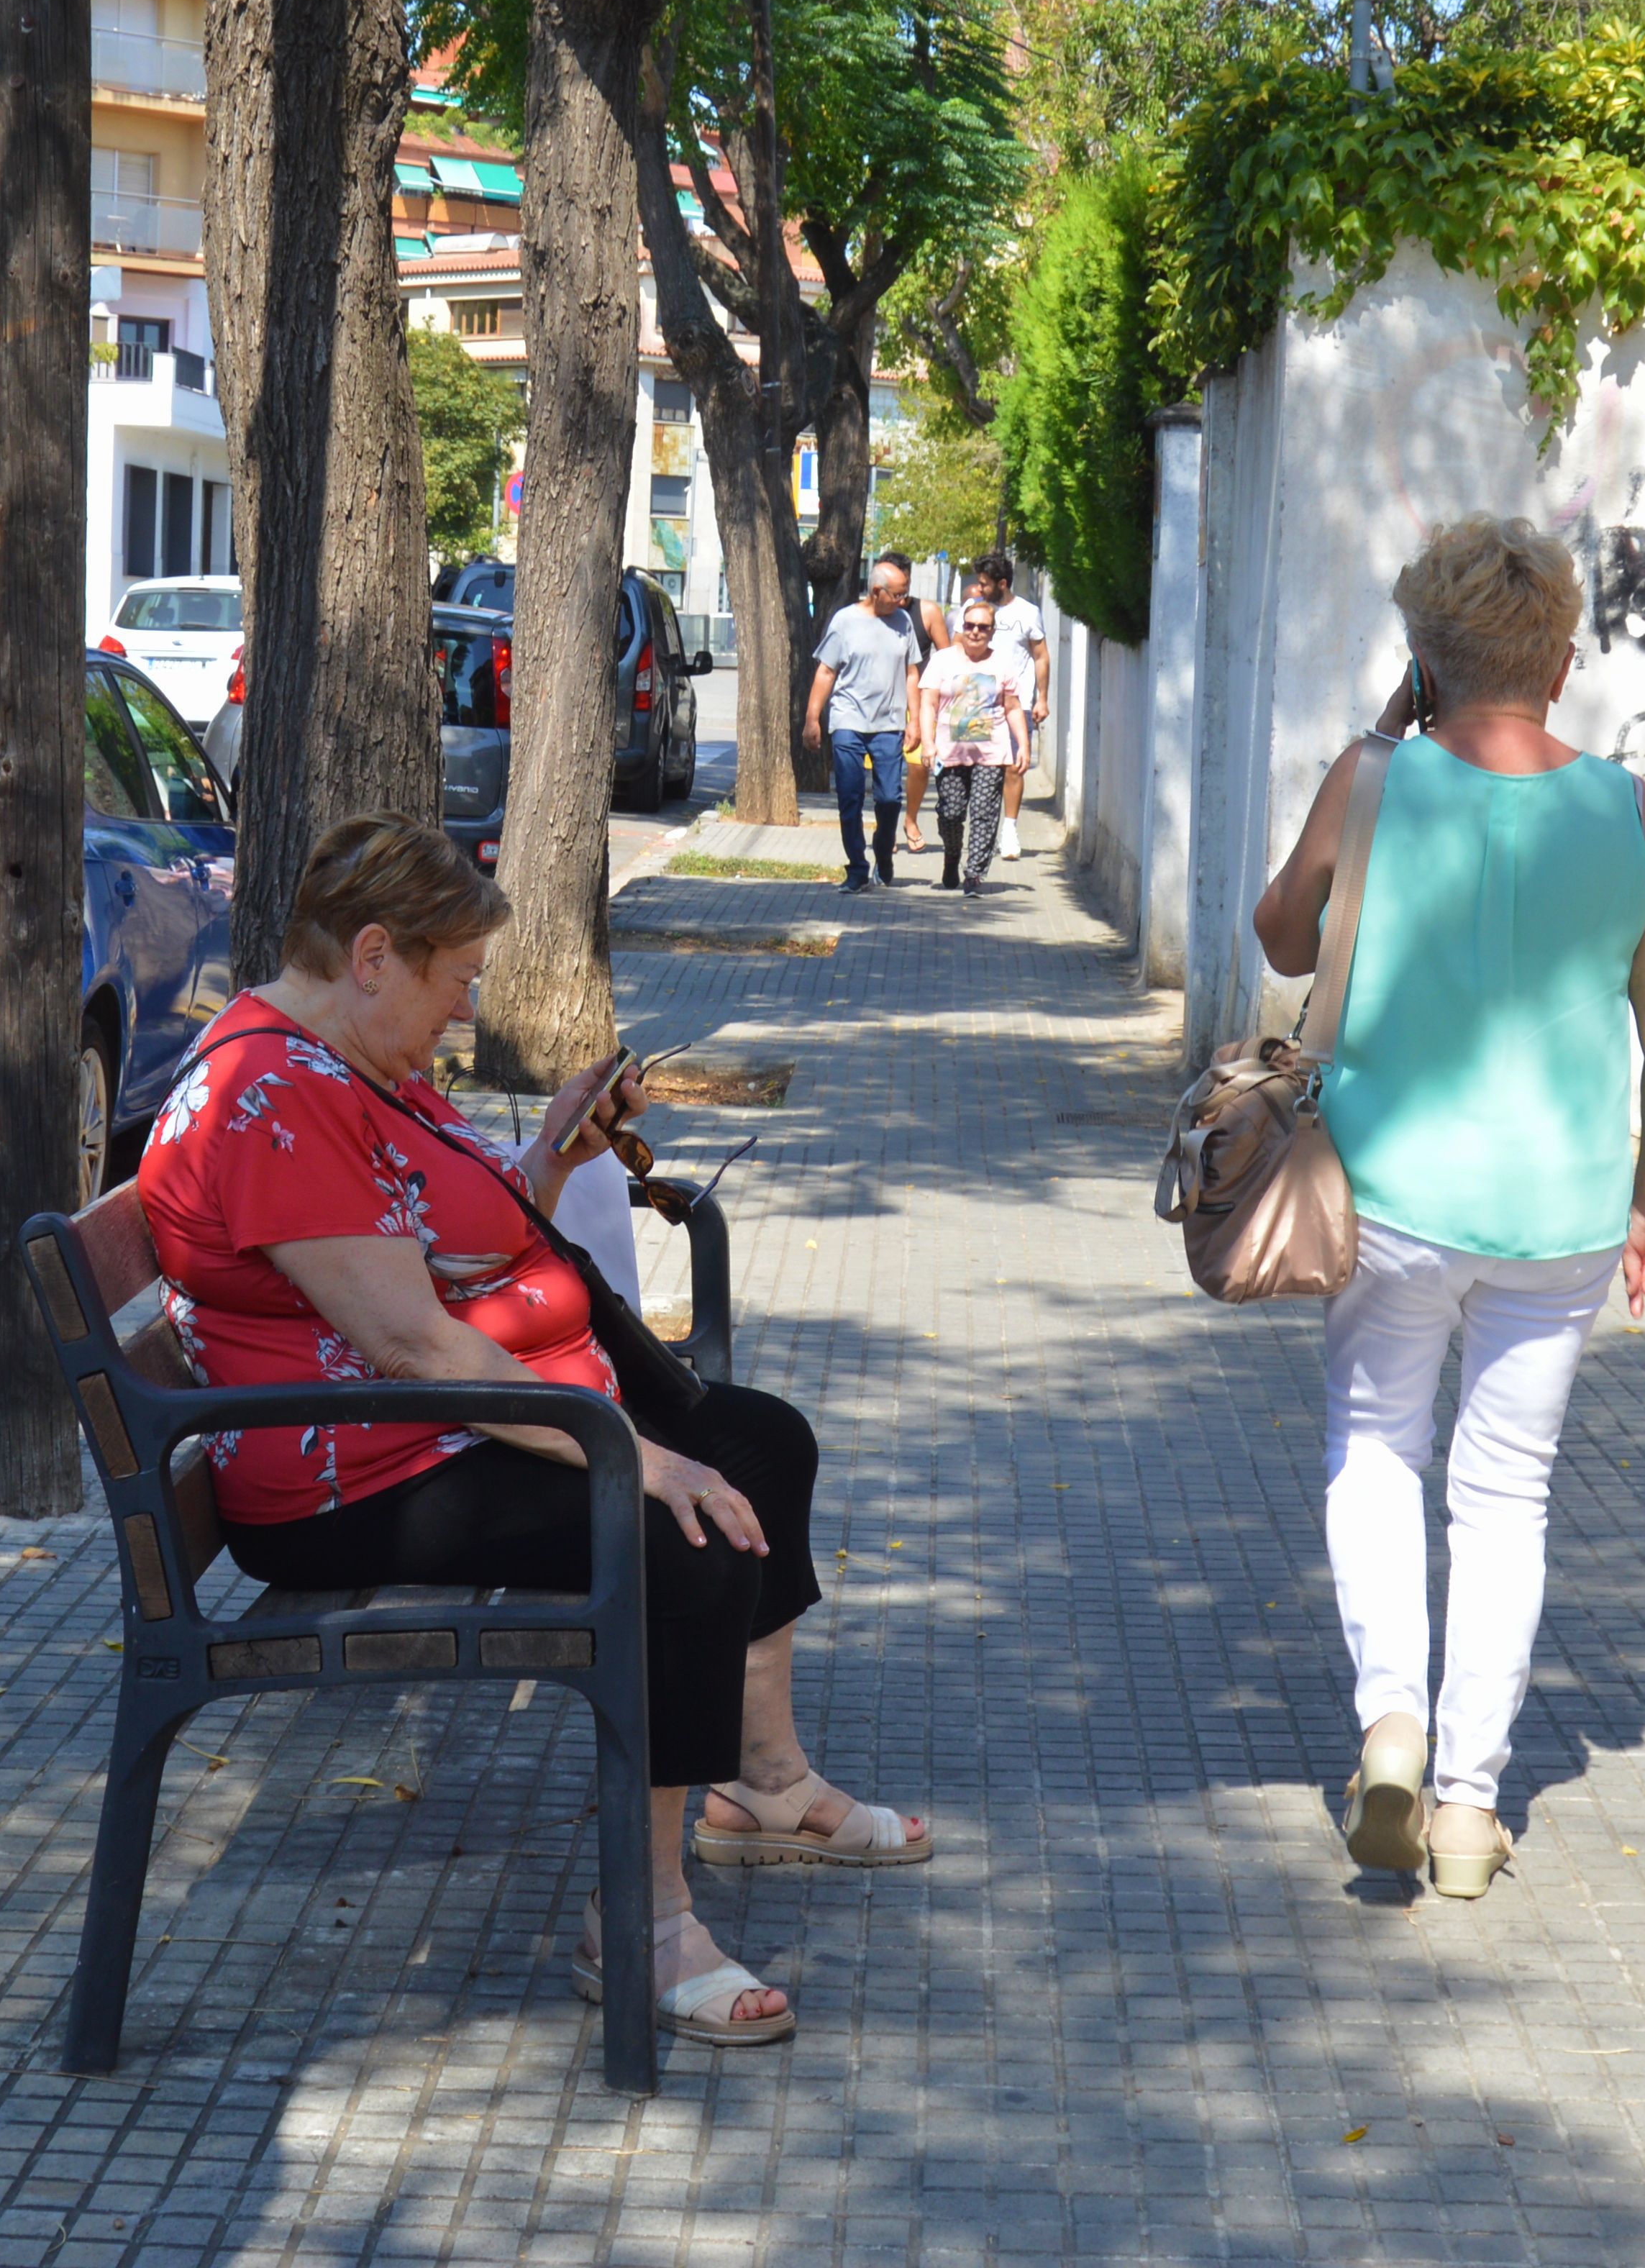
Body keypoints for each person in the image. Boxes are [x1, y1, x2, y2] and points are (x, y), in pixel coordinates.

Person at [139, 815, 931, 2049]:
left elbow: (435, 1241)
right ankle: (645, 1923)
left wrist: (550, 1160)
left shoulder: (342, 1063)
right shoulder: (269, 1096)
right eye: (455, 980)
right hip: (356, 1476)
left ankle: (761, 1785)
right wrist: (632, 1457)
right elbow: (405, 1345)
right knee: (686, 1532)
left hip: (432, 1431)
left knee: (763, 1445)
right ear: (371, 955)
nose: (462, 1013)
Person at [1247, 516, 1645, 1904]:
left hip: (1387, 1192)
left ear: (1424, 661)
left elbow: (1279, 937)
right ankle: (1465, 1808)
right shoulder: (1624, 807)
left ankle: (1390, 1721)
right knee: (1506, 1495)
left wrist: (1384, 741)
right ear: (1562, 662)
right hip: (1560, 1208)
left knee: (1378, 1447)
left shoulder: (1374, 777)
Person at [800, 552, 919, 893]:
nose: (902, 600)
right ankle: (856, 868)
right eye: (897, 594)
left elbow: (912, 673)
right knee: (850, 797)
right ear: (877, 591)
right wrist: (813, 719)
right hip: (848, 720)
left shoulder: (904, 623)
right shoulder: (845, 621)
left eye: (905, 594)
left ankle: (884, 855)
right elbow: (826, 671)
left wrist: (914, 721)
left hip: (889, 725)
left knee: (889, 799)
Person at [907, 598, 1029, 894]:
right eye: (970, 626)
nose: (975, 632)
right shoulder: (943, 660)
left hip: (992, 752)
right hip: (950, 753)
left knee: (985, 813)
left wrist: (1022, 745)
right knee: (950, 812)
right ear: (962, 627)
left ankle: (974, 875)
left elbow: (1013, 707)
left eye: (983, 627)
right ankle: (952, 857)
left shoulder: (1002, 663)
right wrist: (928, 744)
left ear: (992, 631)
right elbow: (928, 704)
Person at [975, 552, 1047, 860]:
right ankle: (983, 832)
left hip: (1017, 704)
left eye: (985, 584)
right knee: (981, 771)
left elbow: (1041, 656)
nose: (980, 590)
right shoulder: (974, 612)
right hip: (977, 704)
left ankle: (1010, 829)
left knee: (1014, 767)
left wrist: (1042, 698)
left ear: (1002, 584)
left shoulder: (1028, 613)